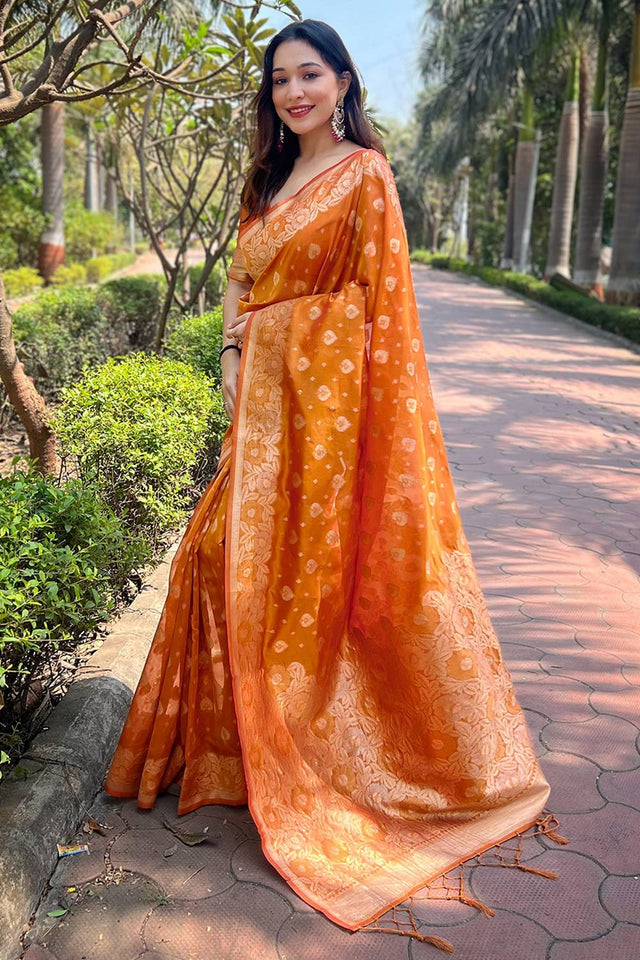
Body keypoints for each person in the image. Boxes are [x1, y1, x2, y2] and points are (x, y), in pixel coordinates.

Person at [104, 18, 556, 945]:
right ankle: (228, 753)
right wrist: (238, 346)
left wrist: (285, 343)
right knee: (222, 555)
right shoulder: (267, 180)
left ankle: (317, 753)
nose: (294, 91)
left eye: (310, 74)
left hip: (325, 422)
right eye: (279, 80)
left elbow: (380, 310)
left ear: (343, 82)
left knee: (300, 583)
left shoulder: (364, 176)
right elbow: (239, 279)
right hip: (261, 415)